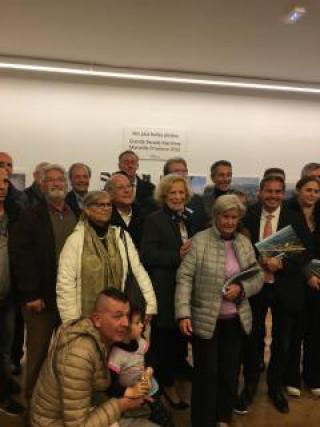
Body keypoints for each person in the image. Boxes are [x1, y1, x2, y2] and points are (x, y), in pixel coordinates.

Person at [175, 194, 263, 427]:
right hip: (205, 320)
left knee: (229, 372)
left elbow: (258, 276)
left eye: (234, 217)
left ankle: (223, 417)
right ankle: (202, 421)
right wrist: (183, 313)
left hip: (234, 320)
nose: (230, 222)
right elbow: (184, 278)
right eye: (225, 216)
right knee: (206, 374)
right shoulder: (200, 241)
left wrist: (241, 289)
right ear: (216, 216)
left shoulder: (244, 243)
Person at [236, 175, 312, 414]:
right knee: (252, 338)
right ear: (259, 192)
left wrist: (284, 265)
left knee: (282, 341)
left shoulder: (295, 218)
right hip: (255, 288)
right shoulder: (246, 216)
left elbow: (306, 253)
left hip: (285, 288)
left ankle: (275, 387)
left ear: (283, 193)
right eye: (268, 191)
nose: (273, 196)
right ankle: (248, 385)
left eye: (278, 191)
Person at [31, 288, 159, 427]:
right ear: (97, 320)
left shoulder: (102, 337)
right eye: (117, 316)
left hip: (82, 410)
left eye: (126, 316)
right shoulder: (78, 355)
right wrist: (122, 405)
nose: (125, 323)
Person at [9, 164, 77, 415]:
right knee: (37, 355)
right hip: (41, 300)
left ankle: (56, 405)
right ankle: (31, 406)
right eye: (51, 180)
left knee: (65, 356)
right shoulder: (30, 215)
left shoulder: (74, 213)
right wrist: (31, 294)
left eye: (61, 180)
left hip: (68, 298)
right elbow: (20, 256)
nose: (57, 183)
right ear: (42, 184)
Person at [57, 190, 157, 323]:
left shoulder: (121, 236)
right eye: (99, 205)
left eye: (108, 205)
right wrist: (71, 320)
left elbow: (138, 271)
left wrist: (150, 305)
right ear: (87, 210)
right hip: (85, 318)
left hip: (118, 315)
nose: (105, 208)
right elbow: (66, 282)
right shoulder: (76, 240)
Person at [141, 174, 196, 409]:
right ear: (164, 196)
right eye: (172, 193)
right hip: (165, 290)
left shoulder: (190, 218)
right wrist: (178, 256)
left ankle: (172, 378)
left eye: (181, 192)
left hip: (189, 289)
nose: (177, 196)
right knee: (163, 343)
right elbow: (148, 255)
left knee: (179, 342)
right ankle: (166, 388)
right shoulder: (154, 220)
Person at [108, 307, 173, 427]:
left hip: (151, 389)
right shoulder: (116, 355)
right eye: (137, 323)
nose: (142, 325)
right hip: (134, 399)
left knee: (165, 417)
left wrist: (148, 372)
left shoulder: (140, 341)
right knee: (147, 416)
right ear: (125, 328)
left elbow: (152, 357)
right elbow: (112, 386)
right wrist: (131, 391)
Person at [286, 176, 320, 397]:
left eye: (316, 191)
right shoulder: (287, 213)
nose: (312, 195)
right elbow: (287, 249)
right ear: (298, 190)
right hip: (294, 279)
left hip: (319, 282)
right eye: (308, 190)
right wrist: (307, 274)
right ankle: (291, 378)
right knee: (294, 331)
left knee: (316, 331)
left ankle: (313, 376)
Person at [0, 167, 24, 416]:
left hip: (7, 297)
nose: (2, 186)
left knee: (5, 348)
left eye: (5, 181)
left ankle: (4, 390)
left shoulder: (16, 213)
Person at [163, 157, 209, 232]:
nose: (182, 174)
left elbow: (203, 226)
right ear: (166, 175)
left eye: (184, 171)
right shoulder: (158, 201)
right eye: (177, 171)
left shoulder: (197, 200)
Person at [105, 172, 146, 249]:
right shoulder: (104, 217)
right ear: (110, 193)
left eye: (129, 186)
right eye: (120, 187)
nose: (127, 191)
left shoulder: (144, 215)